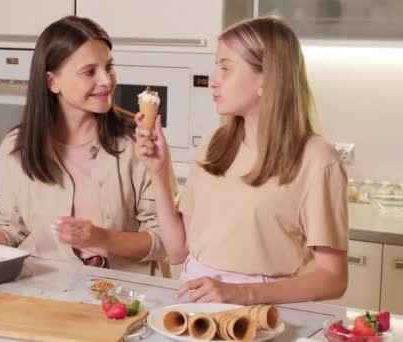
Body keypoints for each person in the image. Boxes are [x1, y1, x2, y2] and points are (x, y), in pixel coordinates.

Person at [0, 16, 173, 275]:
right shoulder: (18, 148)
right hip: (47, 290)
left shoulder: (138, 144)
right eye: (89, 71)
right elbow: (12, 231)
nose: (106, 80)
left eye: (108, 66)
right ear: (52, 82)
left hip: (125, 295)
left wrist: (101, 238)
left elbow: (165, 242)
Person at [135, 17, 348, 303]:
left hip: (264, 312)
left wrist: (239, 293)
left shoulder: (318, 159)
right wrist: (158, 171)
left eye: (225, 67)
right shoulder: (215, 143)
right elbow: (177, 251)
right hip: (193, 302)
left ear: (266, 78)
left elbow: (333, 280)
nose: (213, 79)